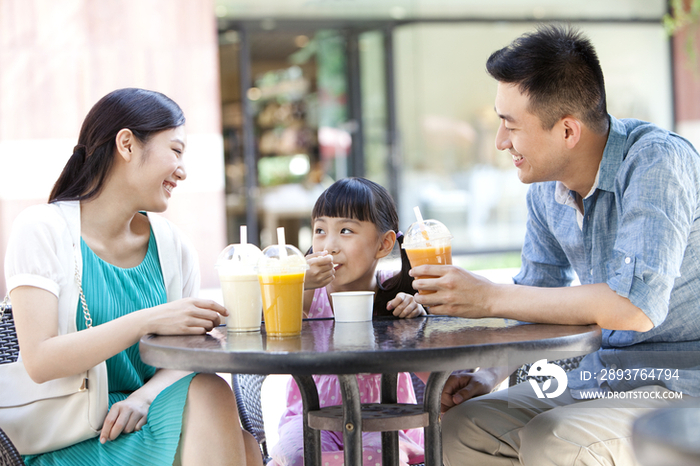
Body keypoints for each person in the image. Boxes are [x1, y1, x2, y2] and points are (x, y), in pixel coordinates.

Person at [410, 25, 700, 466]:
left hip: (683, 380)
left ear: (567, 131)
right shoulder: (547, 193)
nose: (500, 142)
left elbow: (634, 307)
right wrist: (488, 374)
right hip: (604, 375)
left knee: (555, 438)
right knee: (464, 425)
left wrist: (486, 296)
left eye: (510, 126)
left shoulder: (656, 162)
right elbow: (535, 301)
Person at [4, 88, 262, 466]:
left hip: (144, 413)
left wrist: (144, 397)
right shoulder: (42, 229)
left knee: (216, 401)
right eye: (175, 150)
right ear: (126, 144)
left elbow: (186, 356)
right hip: (69, 435)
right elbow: (40, 360)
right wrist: (149, 320)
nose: (183, 170)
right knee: (236, 436)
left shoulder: (171, 245)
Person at [270, 177, 426, 466]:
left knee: (379, 457)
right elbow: (254, 310)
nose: (329, 245)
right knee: (298, 455)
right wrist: (294, 282)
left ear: (384, 243)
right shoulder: (307, 298)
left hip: (381, 421)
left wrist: (414, 321)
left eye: (345, 230)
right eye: (320, 230)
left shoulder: (394, 302)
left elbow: (434, 379)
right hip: (311, 418)